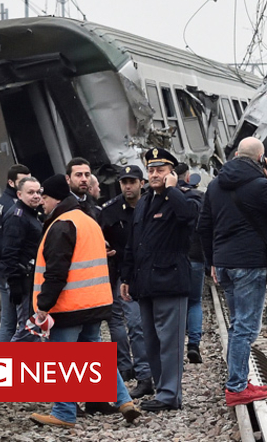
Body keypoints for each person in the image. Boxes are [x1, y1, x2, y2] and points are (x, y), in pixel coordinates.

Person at [28, 174, 140, 428]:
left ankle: (63, 413)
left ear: (56, 199)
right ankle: (125, 401)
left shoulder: (61, 225)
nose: (42, 202)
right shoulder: (87, 220)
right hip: (95, 303)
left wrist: (43, 305)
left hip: (69, 306)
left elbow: (56, 272)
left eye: (45, 197)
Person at [197, 137, 267, 407]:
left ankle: (239, 380)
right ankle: (237, 386)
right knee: (245, 327)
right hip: (249, 264)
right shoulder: (261, 185)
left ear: (236, 155)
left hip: (224, 263)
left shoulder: (215, 185)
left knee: (237, 324)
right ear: (261, 159)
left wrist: (212, 262)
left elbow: (203, 226)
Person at [120, 148, 199, 412]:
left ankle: (170, 395)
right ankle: (161, 389)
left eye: (160, 170)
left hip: (170, 280)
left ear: (171, 173)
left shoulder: (183, 196)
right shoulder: (144, 202)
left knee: (170, 342)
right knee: (151, 341)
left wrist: (172, 190)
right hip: (145, 282)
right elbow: (134, 242)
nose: (154, 174)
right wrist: (126, 276)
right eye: (151, 170)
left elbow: (189, 217)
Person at [99, 165, 152, 391]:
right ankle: (135, 371)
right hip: (120, 273)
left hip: (147, 271)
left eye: (132, 182)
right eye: (124, 182)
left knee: (141, 323)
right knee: (127, 322)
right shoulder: (110, 211)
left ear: (141, 183)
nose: (128, 186)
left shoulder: (151, 205)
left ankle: (144, 370)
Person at [0, 176, 44, 342]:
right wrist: (15, 282)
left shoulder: (31, 214)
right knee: (28, 329)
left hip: (30, 279)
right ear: (19, 194)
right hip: (23, 279)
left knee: (33, 328)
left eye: (38, 192)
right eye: (30, 192)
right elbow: (9, 251)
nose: (36, 196)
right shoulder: (18, 217)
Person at [174, 163, 206, 364]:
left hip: (174, 258)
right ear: (188, 177)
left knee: (175, 302)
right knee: (195, 301)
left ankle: (175, 345)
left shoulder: (165, 197)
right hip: (195, 256)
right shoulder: (198, 198)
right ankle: (193, 344)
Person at [0, 164, 30, 269]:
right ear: (11, 183)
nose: (27, 184)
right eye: (23, 182)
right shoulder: (13, 206)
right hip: (19, 263)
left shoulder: (2, 202)